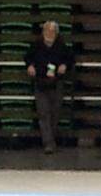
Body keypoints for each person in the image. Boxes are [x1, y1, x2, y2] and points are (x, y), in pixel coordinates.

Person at [23, 20, 73, 154]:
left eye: (52, 31)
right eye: (47, 31)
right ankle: (48, 143)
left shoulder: (62, 46)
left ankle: (51, 139)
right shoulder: (36, 45)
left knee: (55, 113)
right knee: (43, 113)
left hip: (56, 83)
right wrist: (30, 66)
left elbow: (70, 59)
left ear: (56, 33)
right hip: (40, 83)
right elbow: (27, 57)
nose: (49, 33)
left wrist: (65, 65)